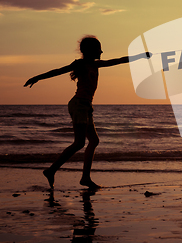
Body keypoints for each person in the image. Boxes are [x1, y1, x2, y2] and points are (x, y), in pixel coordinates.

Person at [24, 35, 151, 189]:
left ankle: (84, 178)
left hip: (85, 106)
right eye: (99, 48)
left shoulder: (96, 65)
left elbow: (118, 61)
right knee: (79, 143)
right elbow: (58, 71)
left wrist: (140, 56)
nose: (102, 51)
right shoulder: (81, 64)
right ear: (91, 50)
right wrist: (37, 78)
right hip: (78, 106)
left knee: (94, 141)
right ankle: (51, 171)